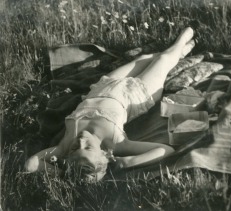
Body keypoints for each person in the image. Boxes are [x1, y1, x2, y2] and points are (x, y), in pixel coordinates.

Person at [24, 27, 197, 182]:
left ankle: (181, 52)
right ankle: (190, 35)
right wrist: (128, 162)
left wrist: (63, 174)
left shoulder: (64, 147)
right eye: (88, 147)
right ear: (105, 154)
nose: (81, 140)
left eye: (76, 148)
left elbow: (30, 165)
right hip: (137, 93)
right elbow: (166, 150)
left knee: (145, 57)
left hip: (104, 85)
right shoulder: (116, 143)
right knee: (164, 59)